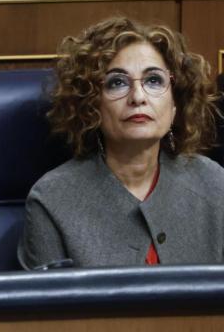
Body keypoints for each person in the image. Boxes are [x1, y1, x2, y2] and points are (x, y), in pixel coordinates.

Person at [19, 16, 224, 270]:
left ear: (175, 105)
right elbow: (45, 308)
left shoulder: (214, 183)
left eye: (154, 80)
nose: (138, 97)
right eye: (117, 83)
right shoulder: (51, 200)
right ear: (91, 106)